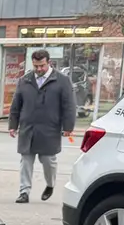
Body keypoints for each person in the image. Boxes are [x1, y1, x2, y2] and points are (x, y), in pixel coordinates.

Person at [8, 49, 75, 203]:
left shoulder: (62, 80)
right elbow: (16, 104)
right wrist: (13, 125)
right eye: (36, 66)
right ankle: (24, 192)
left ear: (49, 63)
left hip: (49, 129)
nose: (39, 69)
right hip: (28, 128)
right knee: (25, 161)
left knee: (48, 161)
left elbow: (69, 105)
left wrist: (68, 127)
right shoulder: (25, 80)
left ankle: (50, 184)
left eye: (42, 66)